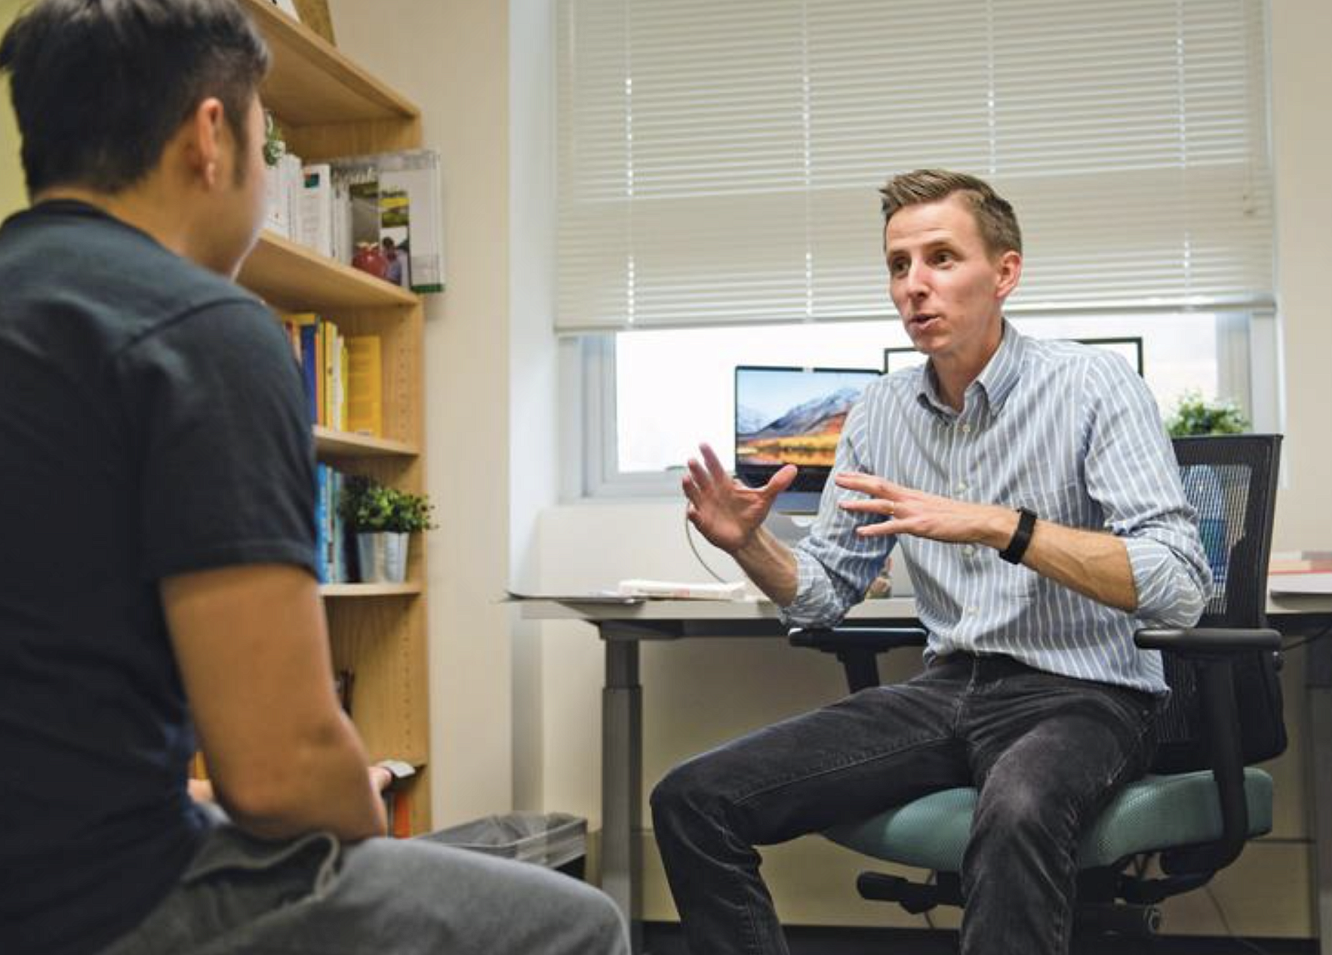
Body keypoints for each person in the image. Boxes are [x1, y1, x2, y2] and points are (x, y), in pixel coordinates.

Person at [0, 3, 627, 955]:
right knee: (576, 922)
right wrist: (363, 837)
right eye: (266, 137)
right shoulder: (198, 329)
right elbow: (285, 773)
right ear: (212, 135)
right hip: (98, 903)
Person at [651, 169, 1212, 955]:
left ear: (1006, 272)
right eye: (898, 265)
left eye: (942, 258)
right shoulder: (881, 411)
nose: (915, 285)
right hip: (949, 689)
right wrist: (751, 545)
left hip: (1088, 693)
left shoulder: (1093, 385)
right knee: (693, 797)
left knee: (1017, 806)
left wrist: (1000, 526)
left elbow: (1180, 586)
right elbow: (820, 595)